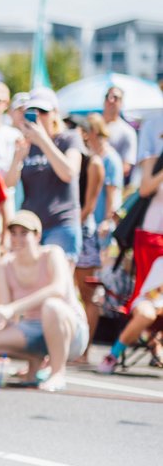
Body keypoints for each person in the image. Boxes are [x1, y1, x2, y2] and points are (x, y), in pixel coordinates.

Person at [0, 211, 87, 392]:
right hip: (32, 329)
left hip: (70, 331)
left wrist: (13, 309)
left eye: (24, 233)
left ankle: (57, 373)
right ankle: (34, 361)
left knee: (51, 307)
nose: (17, 239)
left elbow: (58, 290)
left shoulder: (53, 254)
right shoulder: (5, 264)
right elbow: (6, 312)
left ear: (37, 236)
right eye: (13, 233)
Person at [98, 119, 163, 374]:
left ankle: (155, 344)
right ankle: (115, 354)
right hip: (151, 236)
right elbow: (146, 188)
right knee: (147, 303)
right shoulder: (153, 146)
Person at [5, 88, 83, 265]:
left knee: (59, 283)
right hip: (29, 226)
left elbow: (69, 173)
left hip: (61, 223)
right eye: (33, 112)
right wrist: (17, 157)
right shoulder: (25, 142)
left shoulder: (68, 138)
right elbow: (9, 183)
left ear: (55, 113)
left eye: (44, 111)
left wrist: (43, 141)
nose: (38, 116)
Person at [76, 113, 123, 360]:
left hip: (95, 230)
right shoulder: (88, 157)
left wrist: (107, 223)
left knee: (90, 292)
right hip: (87, 225)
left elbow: (113, 195)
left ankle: (85, 349)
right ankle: (79, 347)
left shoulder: (109, 159)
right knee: (83, 291)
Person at [100, 86, 137, 182]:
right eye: (108, 96)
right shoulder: (91, 125)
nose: (110, 100)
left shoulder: (128, 131)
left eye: (115, 97)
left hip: (109, 185)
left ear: (121, 103)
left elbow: (126, 166)